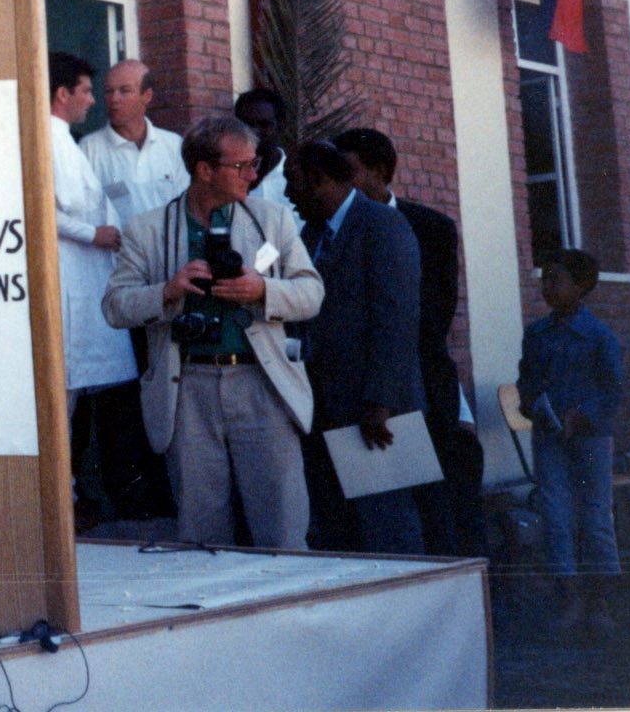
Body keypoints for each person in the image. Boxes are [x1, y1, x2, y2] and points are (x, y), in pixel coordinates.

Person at [103, 115, 324, 549]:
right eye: (241, 166)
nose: (253, 175)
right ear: (205, 170)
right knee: (201, 529)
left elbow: (312, 292)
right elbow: (114, 306)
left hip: (262, 384)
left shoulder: (272, 221)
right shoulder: (148, 229)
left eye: (253, 164)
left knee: (282, 522)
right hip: (187, 386)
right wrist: (167, 291)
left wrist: (261, 289)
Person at [333, 126, 485, 557]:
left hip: (420, 379)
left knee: (438, 500)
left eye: (352, 171)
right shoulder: (330, 230)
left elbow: (435, 314)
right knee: (383, 507)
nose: (346, 182)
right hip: (362, 387)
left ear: (381, 171)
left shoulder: (430, 227)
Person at [48, 51, 169, 525]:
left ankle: (73, 497)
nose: (94, 101)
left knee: (78, 397)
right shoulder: (49, 137)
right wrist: (91, 233)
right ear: (63, 95)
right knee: (63, 396)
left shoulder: (63, 139)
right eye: (86, 90)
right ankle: (65, 500)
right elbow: (41, 203)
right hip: (69, 281)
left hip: (97, 281)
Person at [293, 140, 425, 554]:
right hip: (327, 404)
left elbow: (396, 319)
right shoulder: (311, 233)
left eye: (291, 183)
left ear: (318, 181)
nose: (286, 194)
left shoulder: (382, 225)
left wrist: (379, 401)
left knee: (388, 523)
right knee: (341, 525)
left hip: (374, 409)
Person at [517, 249, 622, 633]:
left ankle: (599, 601)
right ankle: (569, 596)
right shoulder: (536, 334)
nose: (547, 286)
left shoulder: (599, 337)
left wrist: (583, 416)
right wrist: (530, 403)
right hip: (550, 439)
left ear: (581, 287)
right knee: (555, 516)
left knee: (595, 517)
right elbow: (525, 381)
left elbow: (613, 391)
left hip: (590, 440)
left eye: (555, 279)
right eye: (544, 278)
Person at [79, 59, 190, 228]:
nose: (114, 99)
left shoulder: (173, 145)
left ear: (147, 96)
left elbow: (186, 206)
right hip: (117, 253)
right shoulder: (89, 149)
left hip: (168, 251)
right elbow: (83, 215)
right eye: (109, 91)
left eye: (125, 91)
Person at [234, 87, 300, 225]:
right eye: (247, 124)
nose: (254, 132)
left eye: (264, 125)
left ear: (281, 126)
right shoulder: (226, 178)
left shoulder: (298, 180)